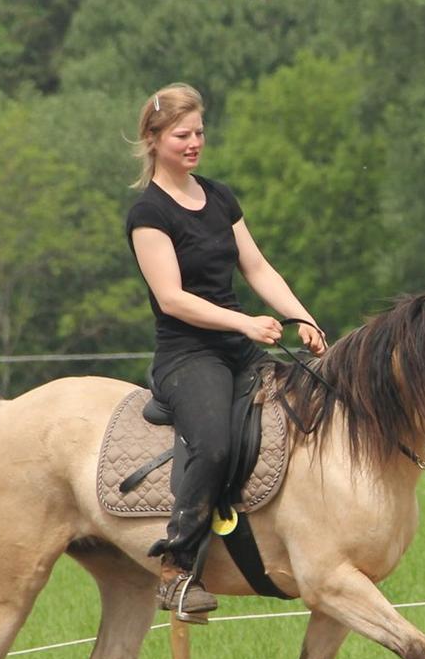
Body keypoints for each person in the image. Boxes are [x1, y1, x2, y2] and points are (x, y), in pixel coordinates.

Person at [125, 82, 326, 618]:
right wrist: (244, 322)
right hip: (188, 357)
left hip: (240, 348)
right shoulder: (149, 214)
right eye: (181, 135)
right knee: (213, 443)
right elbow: (172, 299)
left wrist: (298, 315)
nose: (194, 143)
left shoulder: (218, 196)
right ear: (153, 138)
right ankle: (177, 567)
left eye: (200, 133)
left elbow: (256, 267)